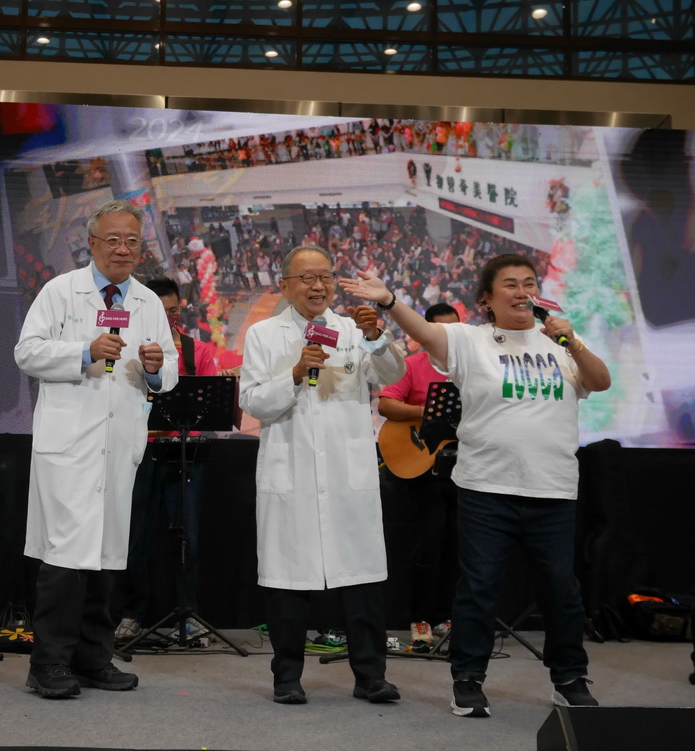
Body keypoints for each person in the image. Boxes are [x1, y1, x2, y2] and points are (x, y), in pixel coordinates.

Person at [340, 253, 611, 717]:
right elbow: (425, 332)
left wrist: (572, 342)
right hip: (487, 487)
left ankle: (569, 677)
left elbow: (600, 381)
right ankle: (467, 678)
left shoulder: (560, 342)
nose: (523, 291)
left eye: (529, 283)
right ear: (486, 299)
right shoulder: (471, 340)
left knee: (562, 590)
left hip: (553, 489)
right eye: (511, 284)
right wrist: (389, 300)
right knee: (479, 587)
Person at [15, 199, 178, 699]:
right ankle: (49, 663)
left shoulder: (148, 302)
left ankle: (93, 658)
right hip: (69, 446)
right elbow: (27, 352)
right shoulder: (61, 291)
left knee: (107, 556)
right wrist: (83, 351)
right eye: (113, 239)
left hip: (119, 444)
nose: (123, 249)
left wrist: (155, 368)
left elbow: (169, 371)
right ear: (91, 243)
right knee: (66, 557)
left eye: (132, 241)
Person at [238, 244, 406, 705]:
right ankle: (287, 678)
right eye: (307, 278)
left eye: (325, 277)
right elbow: (252, 401)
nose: (318, 286)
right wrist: (295, 373)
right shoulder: (264, 334)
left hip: (347, 475)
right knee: (289, 582)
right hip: (290, 472)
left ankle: (371, 677)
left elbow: (392, 372)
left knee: (361, 581)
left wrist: (376, 337)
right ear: (285, 285)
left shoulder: (353, 329)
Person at [114, 277, 218, 643]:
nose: (169, 318)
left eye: (174, 311)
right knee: (135, 538)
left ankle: (188, 614)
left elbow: (211, 405)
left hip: (185, 454)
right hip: (138, 453)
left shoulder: (197, 352)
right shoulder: (125, 352)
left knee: (188, 538)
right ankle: (131, 614)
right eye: (162, 311)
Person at [377, 304, 460, 647]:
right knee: (431, 542)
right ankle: (422, 617)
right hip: (426, 471)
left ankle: (447, 615)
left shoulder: (473, 367)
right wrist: (425, 411)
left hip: (467, 469)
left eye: (454, 331)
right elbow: (386, 404)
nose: (447, 338)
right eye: (439, 331)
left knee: (459, 545)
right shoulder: (412, 365)